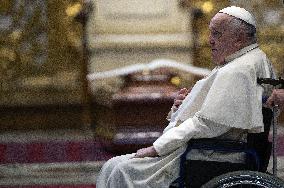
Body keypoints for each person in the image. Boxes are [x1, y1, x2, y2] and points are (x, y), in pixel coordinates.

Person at [96, 6, 275, 188]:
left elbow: (207, 123)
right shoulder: (252, 59)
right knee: (115, 166)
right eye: (210, 33)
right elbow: (217, 115)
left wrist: (157, 148)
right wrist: (183, 106)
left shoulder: (238, 70)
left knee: (119, 169)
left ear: (239, 39)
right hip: (211, 147)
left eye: (217, 34)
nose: (210, 40)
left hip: (210, 153)